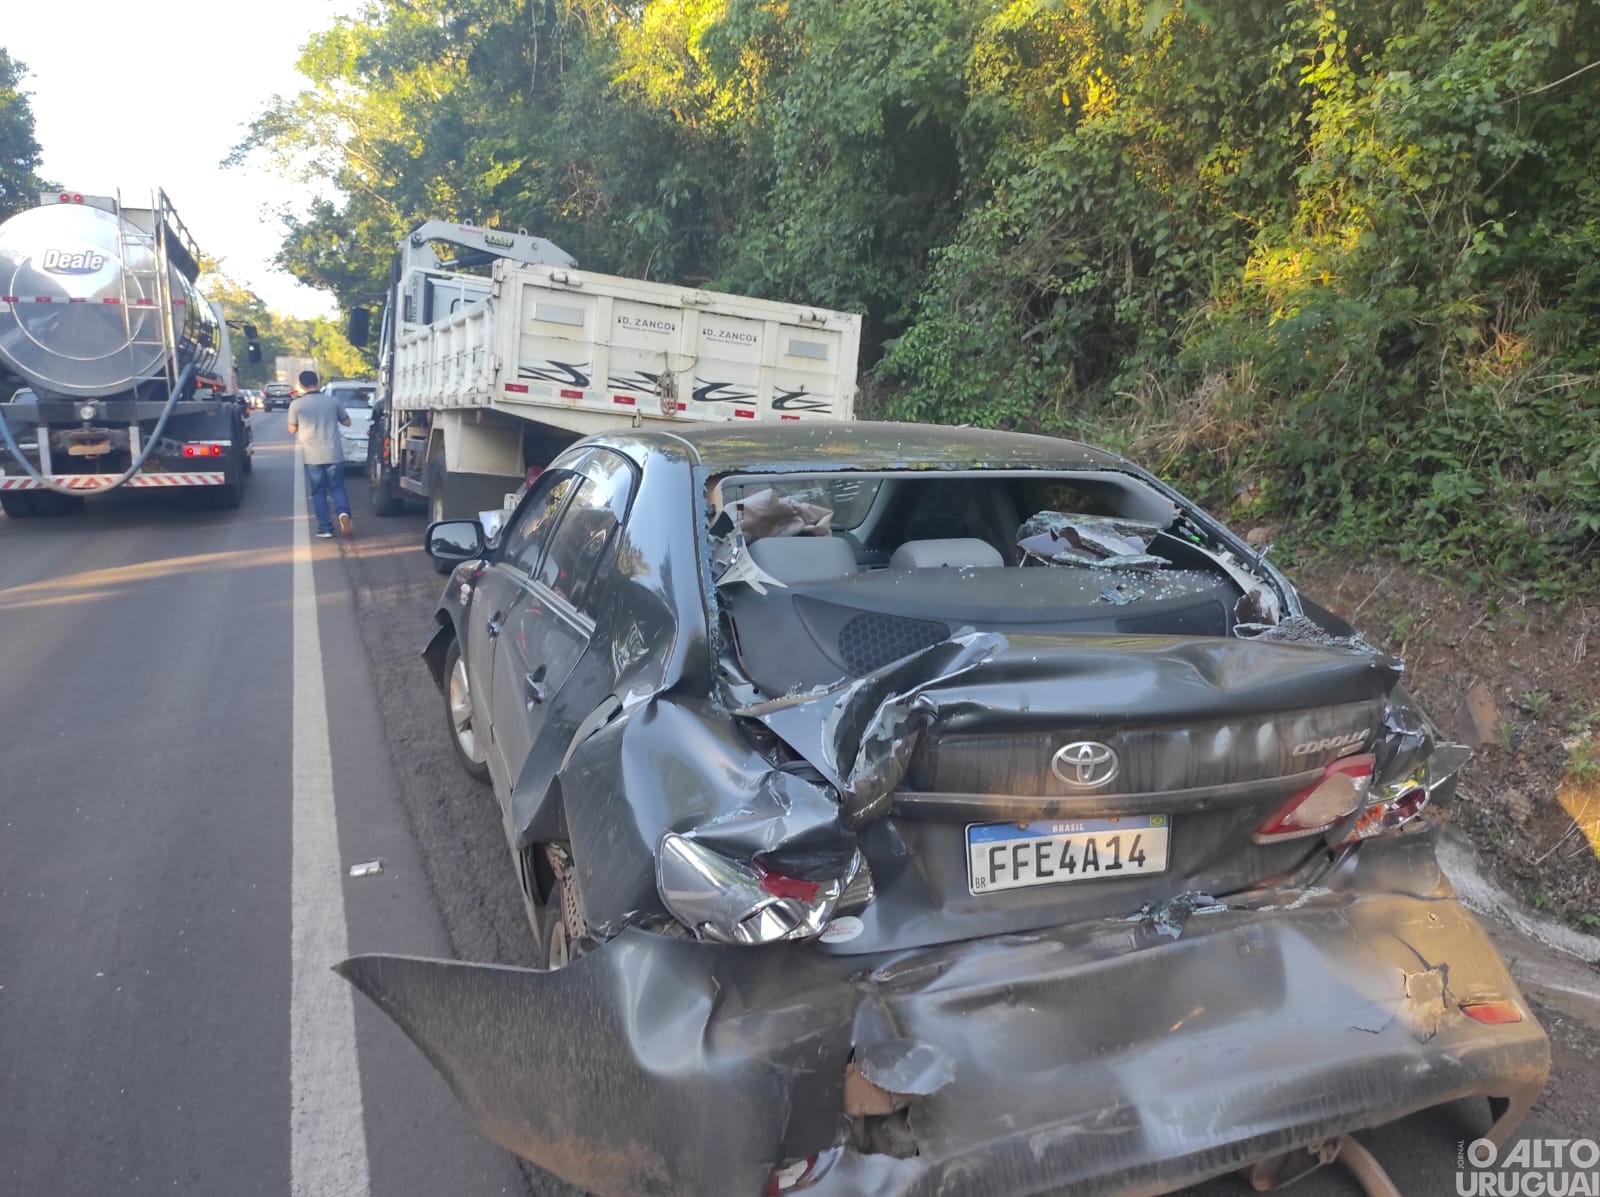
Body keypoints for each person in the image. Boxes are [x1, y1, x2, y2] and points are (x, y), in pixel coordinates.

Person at [285, 370, 354, 539]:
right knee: (337, 487)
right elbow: (347, 422)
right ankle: (343, 514)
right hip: (333, 453)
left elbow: (292, 429)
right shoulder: (333, 401)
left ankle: (325, 528)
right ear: (317, 381)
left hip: (312, 456)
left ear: (301, 385)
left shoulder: (296, 405)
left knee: (318, 491)